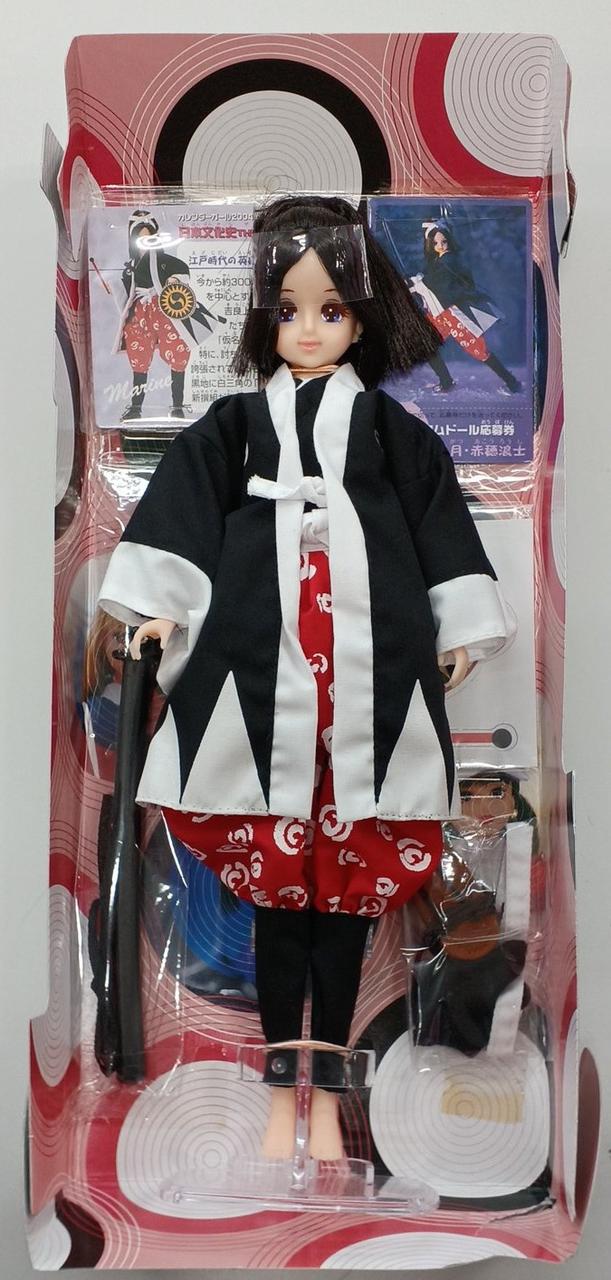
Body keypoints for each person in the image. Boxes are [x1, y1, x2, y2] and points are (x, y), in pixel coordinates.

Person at [98, 195, 512, 1160]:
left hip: (369, 687)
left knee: (345, 905)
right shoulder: (235, 427)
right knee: (281, 904)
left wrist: (456, 626)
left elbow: (439, 528)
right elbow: (182, 518)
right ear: (262, 320)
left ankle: (329, 1099)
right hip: (258, 684)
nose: (310, 330)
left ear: (362, 320)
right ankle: (285, 1092)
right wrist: (160, 609)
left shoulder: (394, 434)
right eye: (288, 311)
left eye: (330, 310)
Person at [115, 210, 222, 421]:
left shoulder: (164, 260)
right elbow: (128, 294)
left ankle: (177, 406)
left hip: (163, 311)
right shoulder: (132, 266)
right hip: (141, 313)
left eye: (149, 238)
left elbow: (181, 269)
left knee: (177, 352)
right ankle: (136, 407)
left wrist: (174, 280)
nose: (145, 243)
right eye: (140, 239)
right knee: (139, 357)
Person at [409, 221, 521, 395]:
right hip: (440, 313)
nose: (441, 246)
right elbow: (431, 279)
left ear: (449, 240)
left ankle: (512, 382)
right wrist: (417, 282)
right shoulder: (439, 260)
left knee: (479, 350)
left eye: (444, 241)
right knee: (426, 343)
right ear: (430, 245)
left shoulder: (450, 260)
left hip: (454, 314)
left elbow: (437, 282)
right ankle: (446, 381)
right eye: (436, 243)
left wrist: (418, 283)